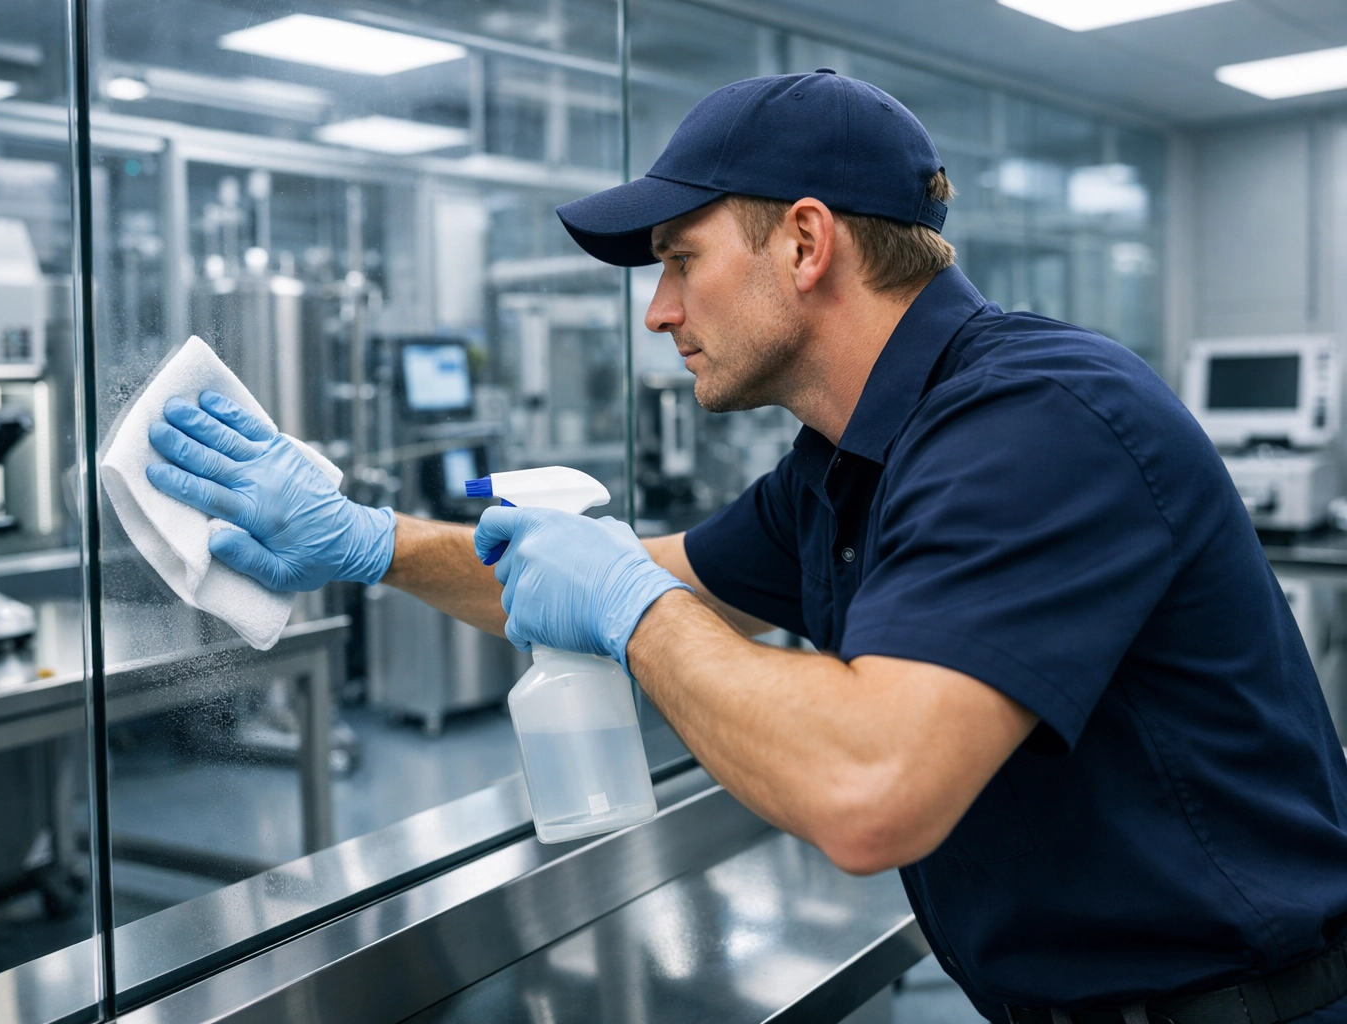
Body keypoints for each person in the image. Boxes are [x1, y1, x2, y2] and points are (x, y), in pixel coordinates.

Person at [143, 71, 1347, 1024]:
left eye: (679, 260)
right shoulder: (845, 464)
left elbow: (870, 791)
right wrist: (369, 542)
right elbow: (607, 581)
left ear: (807, 243)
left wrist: (625, 604)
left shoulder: (1037, 420)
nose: (659, 311)